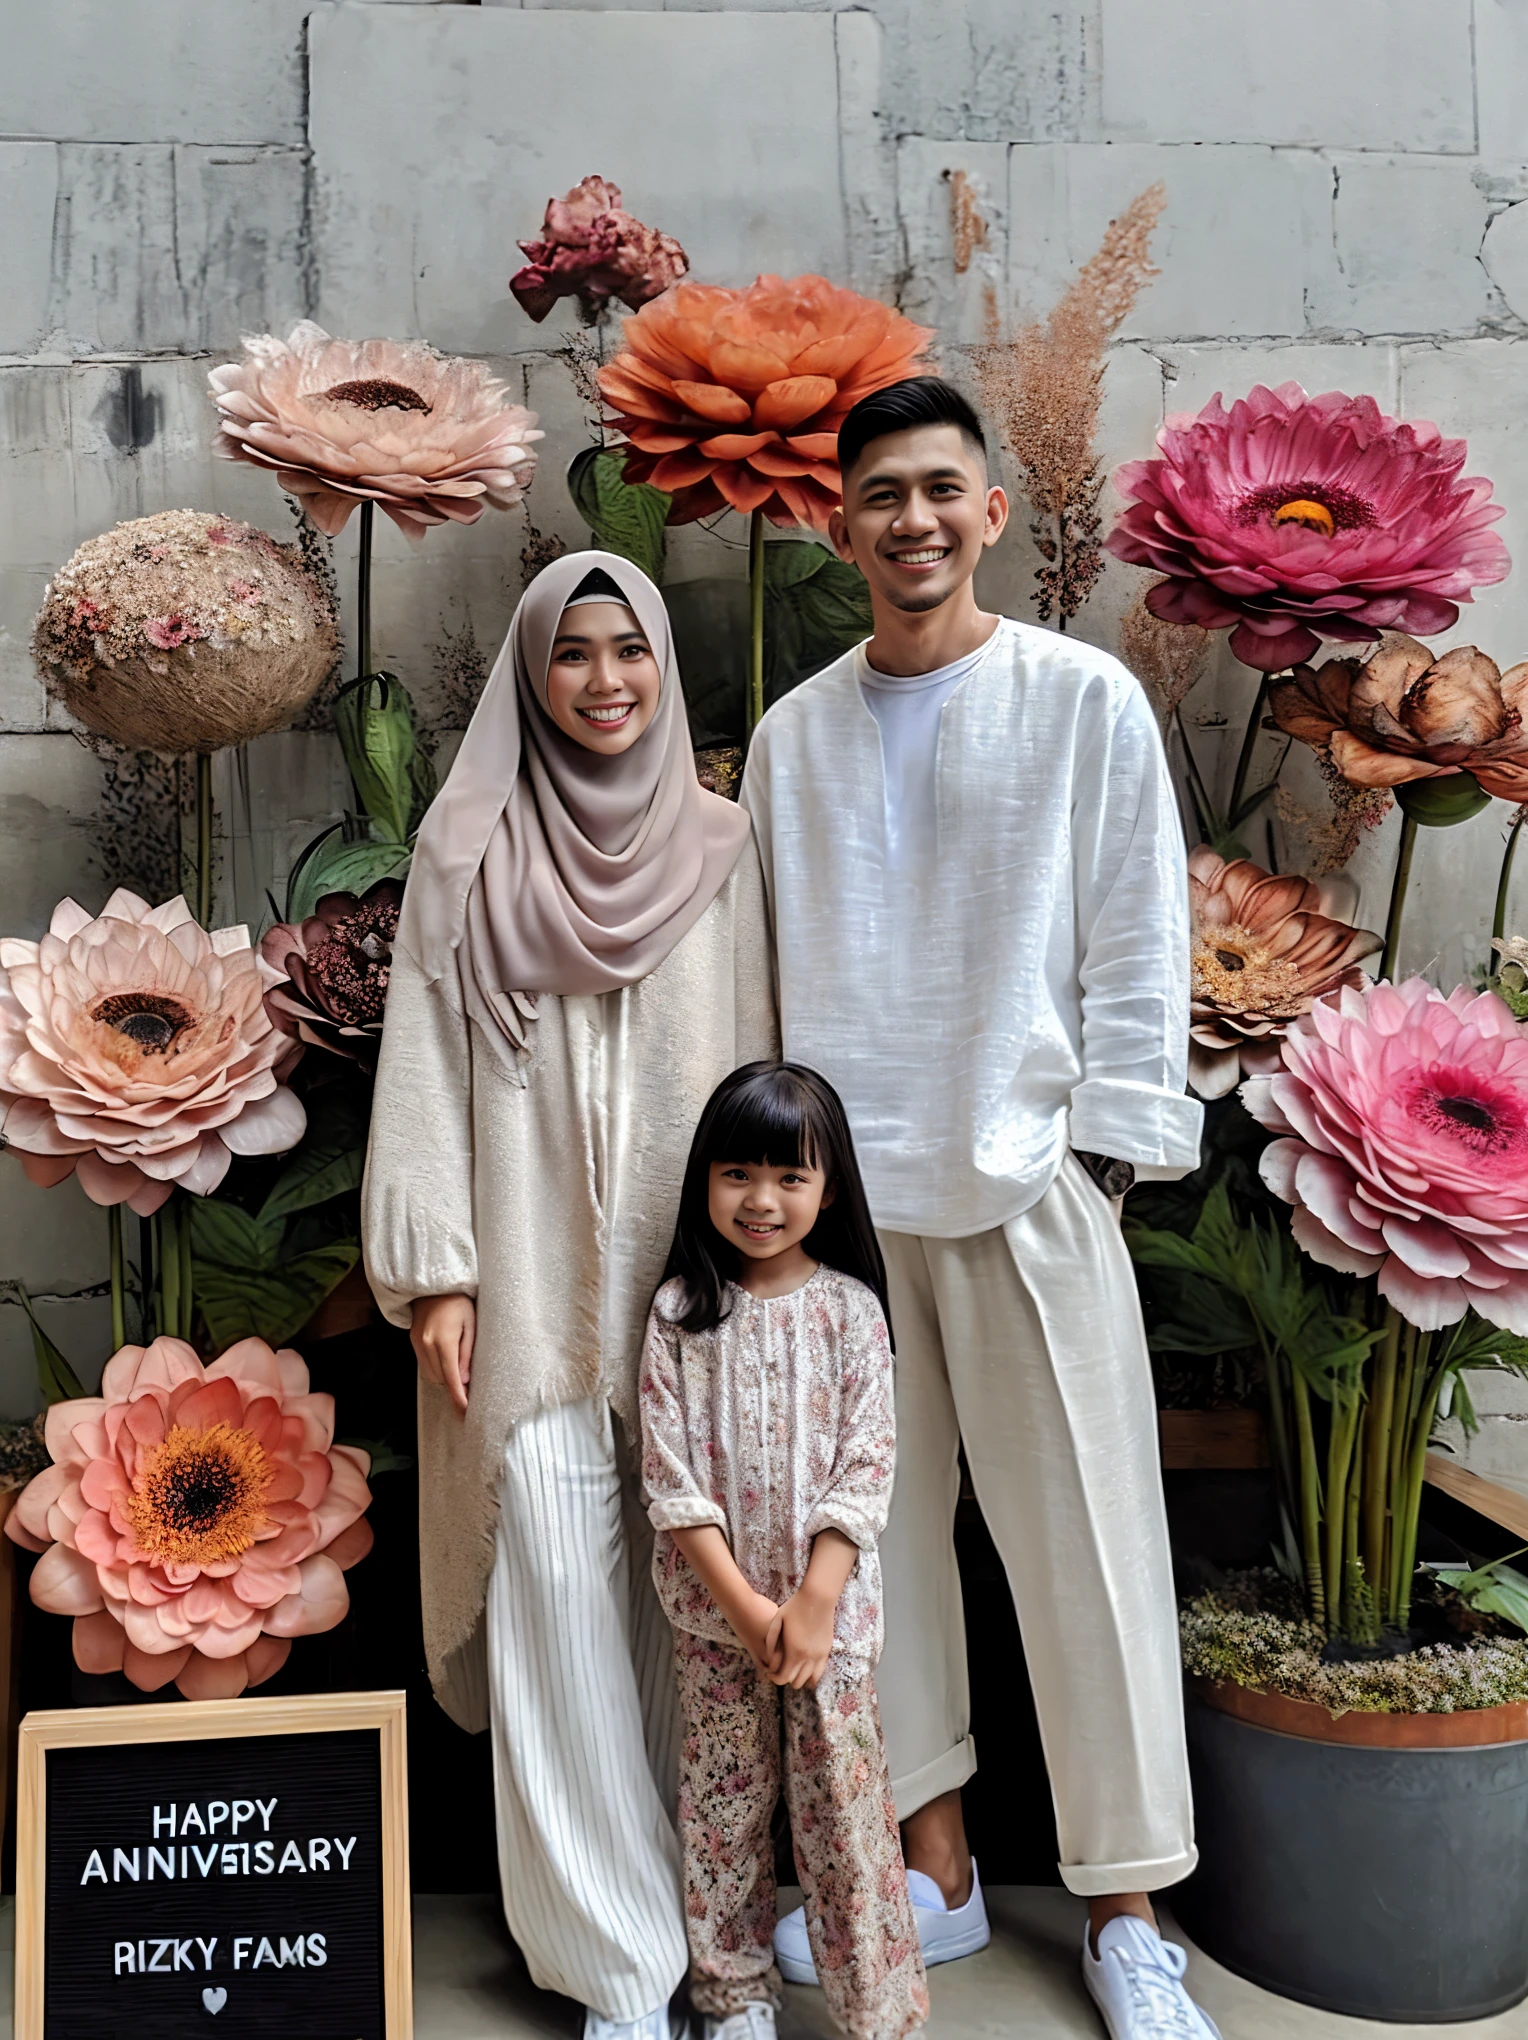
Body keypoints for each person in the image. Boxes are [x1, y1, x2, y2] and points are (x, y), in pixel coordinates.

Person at [741, 378, 1220, 2040]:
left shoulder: (1081, 701)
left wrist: (1095, 1159)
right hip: (850, 1213)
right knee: (868, 1560)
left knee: (1085, 1543)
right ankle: (931, 1878)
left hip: (1028, 1186)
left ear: (991, 513)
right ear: (835, 523)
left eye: (941, 489)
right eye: (879, 494)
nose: (912, 521)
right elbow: (774, 975)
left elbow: (1135, 946)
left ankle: (1126, 1908)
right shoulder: (796, 736)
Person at [363, 551, 778, 2040]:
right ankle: (618, 1968)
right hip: (522, 1283)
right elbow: (420, 1066)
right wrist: (434, 1273)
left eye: (633, 653)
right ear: (532, 678)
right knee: (548, 1575)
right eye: (573, 655)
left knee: (689, 1604)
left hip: (691, 1289)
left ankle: (703, 1931)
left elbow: (765, 1061)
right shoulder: (465, 849)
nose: (607, 681)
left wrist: (765, 1266)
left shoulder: (725, 848)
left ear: (665, 671)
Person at [639, 1061, 929, 2040]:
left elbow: (866, 1466)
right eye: (737, 1174)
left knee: (845, 1816)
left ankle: (875, 2010)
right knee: (723, 1814)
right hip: (717, 1621)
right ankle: (732, 1997)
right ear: (705, 1181)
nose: (760, 1200)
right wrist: (747, 1610)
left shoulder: (852, 1312)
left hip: (829, 1622)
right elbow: (669, 1480)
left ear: (829, 1186)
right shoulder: (681, 1313)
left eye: (788, 1177)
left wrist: (809, 1605)